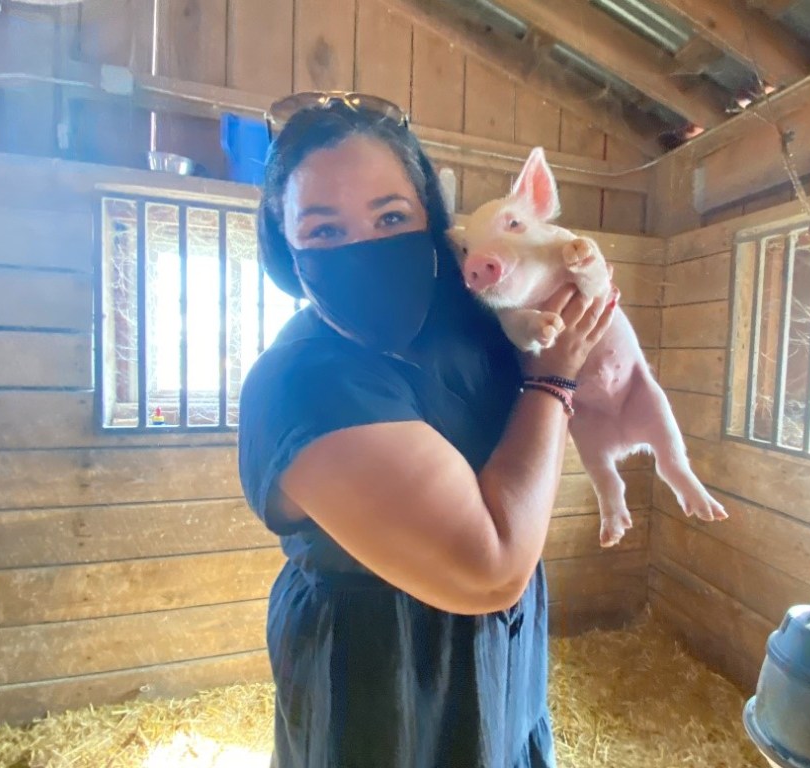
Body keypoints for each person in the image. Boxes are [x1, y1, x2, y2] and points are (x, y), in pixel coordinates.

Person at [237, 91, 618, 768]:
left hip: (503, 665)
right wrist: (551, 382)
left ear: (431, 219)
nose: (364, 247)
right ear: (284, 241)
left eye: (390, 216)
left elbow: (572, 302)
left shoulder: (460, 320)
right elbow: (492, 565)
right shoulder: (306, 385)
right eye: (324, 230)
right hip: (384, 680)